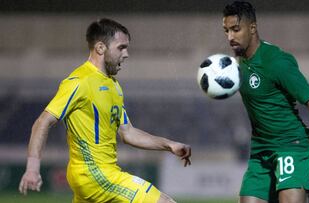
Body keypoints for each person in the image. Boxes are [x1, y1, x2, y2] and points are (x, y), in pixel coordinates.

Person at [18, 18, 191, 203]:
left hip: (94, 176)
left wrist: (169, 145)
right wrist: (32, 168)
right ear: (100, 48)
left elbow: (128, 133)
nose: (126, 54)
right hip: (94, 173)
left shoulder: (114, 86)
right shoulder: (79, 81)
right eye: (121, 47)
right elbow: (43, 121)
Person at [222, 1, 309, 203]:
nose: (230, 37)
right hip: (260, 149)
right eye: (227, 31)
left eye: (236, 30)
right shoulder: (236, 62)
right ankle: (307, 195)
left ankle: (307, 196)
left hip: (290, 144)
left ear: (253, 28)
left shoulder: (276, 62)